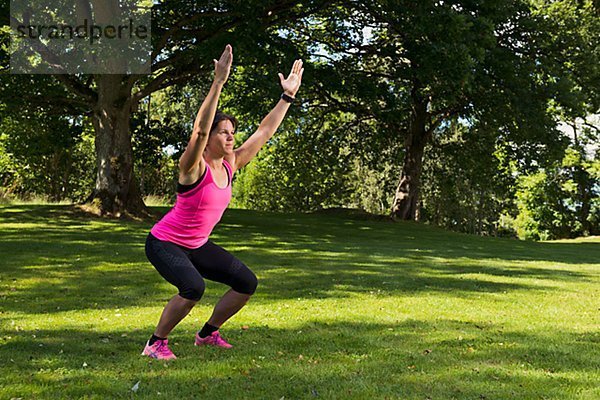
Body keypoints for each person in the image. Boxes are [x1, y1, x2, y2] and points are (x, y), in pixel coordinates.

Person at [142, 44, 304, 360]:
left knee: (246, 282)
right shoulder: (192, 167)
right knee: (193, 289)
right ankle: (155, 343)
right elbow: (199, 130)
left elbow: (264, 131)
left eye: (232, 132)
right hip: (165, 242)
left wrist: (287, 97)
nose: (230, 137)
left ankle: (207, 333)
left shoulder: (230, 165)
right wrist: (218, 82)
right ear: (210, 138)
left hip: (197, 243)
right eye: (224, 132)